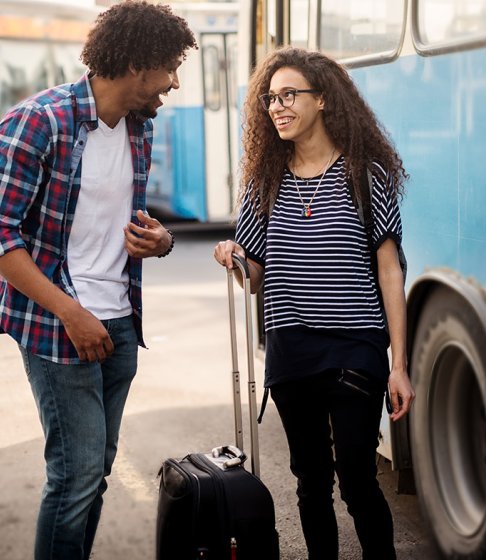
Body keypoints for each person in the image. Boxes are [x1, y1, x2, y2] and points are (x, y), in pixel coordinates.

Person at [0, 2, 197, 558]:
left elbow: (121, 225)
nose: (174, 83)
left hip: (120, 324)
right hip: (61, 326)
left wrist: (162, 241)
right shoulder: (40, 121)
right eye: (169, 67)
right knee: (75, 477)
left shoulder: (139, 127)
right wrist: (71, 312)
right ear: (137, 64)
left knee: (95, 477)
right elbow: (2, 237)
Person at [214, 46, 415, 560]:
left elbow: (389, 270)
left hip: (355, 348)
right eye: (270, 99)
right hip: (291, 349)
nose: (277, 107)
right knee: (310, 481)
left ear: (323, 99)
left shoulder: (365, 175)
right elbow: (255, 277)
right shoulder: (264, 183)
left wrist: (400, 364)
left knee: (357, 477)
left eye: (289, 95)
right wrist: (235, 256)